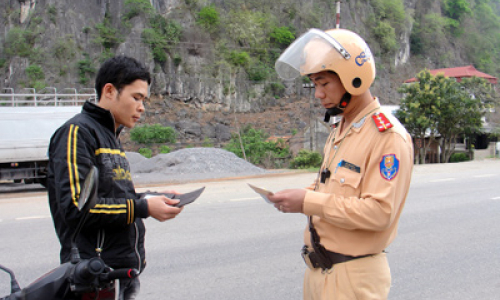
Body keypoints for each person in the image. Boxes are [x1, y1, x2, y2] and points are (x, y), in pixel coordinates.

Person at [271, 28, 414, 299]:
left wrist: (307, 202)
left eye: (324, 84)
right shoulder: (343, 129)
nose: (318, 94)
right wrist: (297, 197)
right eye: (314, 85)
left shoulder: (387, 137)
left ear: (353, 79)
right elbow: (330, 187)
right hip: (321, 272)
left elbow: (380, 213)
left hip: (352, 278)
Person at [46, 55, 183, 300]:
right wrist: (143, 207)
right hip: (92, 277)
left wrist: (154, 198)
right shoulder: (77, 133)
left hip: (118, 273)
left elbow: (116, 197)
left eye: (144, 100)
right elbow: (78, 209)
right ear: (109, 91)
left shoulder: (111, 137)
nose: (142, 107)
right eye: (136, 97)